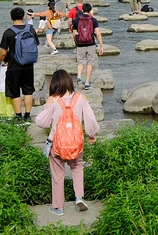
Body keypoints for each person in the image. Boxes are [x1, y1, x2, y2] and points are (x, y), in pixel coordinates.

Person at [35, 70, 99, 217]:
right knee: (77, 168)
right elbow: (90, 118)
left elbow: (41, 122)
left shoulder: (53, 99)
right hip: (76, 142)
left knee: (57, 174)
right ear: (70, 81)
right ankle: (79, 197)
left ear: (54, 84)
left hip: (56, 144)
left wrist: (48, 108)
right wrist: (91, 134)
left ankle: (58, 207)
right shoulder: (81, 97)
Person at [0, 7, 39, 123]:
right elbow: (36, 44)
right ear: (23, 17)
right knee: (28, 90)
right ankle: (28, 115)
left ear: (11, 17)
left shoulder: (8, 32)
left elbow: (3, 52)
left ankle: (18, 116)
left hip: (14, 65)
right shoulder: (31, 30)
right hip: (28, 65)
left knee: (15, 92)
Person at [73, 3, 104, 90]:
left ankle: (79, 76)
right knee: (89, 63)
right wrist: (101, 46)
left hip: (80, 44)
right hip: (91, 44)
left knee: (80, 62)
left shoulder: (76, 20)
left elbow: (74, 34)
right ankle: (86, 83)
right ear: (90, 11)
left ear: (82, 10)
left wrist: (76, 42)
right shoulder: (93, 20)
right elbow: (98, 33)